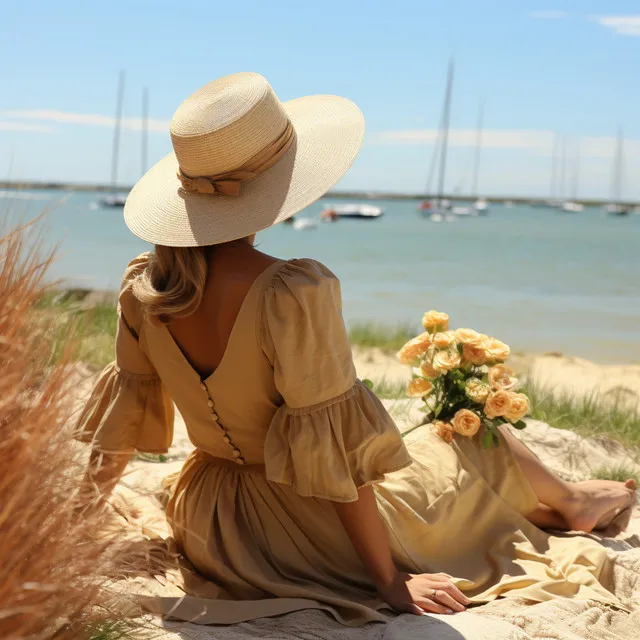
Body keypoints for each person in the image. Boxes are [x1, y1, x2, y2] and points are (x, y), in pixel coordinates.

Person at [77, 73, 636, 626]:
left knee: (431, 434)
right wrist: (388, 578)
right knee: (459, 430)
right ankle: (572, 502)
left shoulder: (142, 288)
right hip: (310, 530)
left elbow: (119, 425)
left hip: (217, 525)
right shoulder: (291, 291)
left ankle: (565, 499)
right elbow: (336, 452)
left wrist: (75, 524)